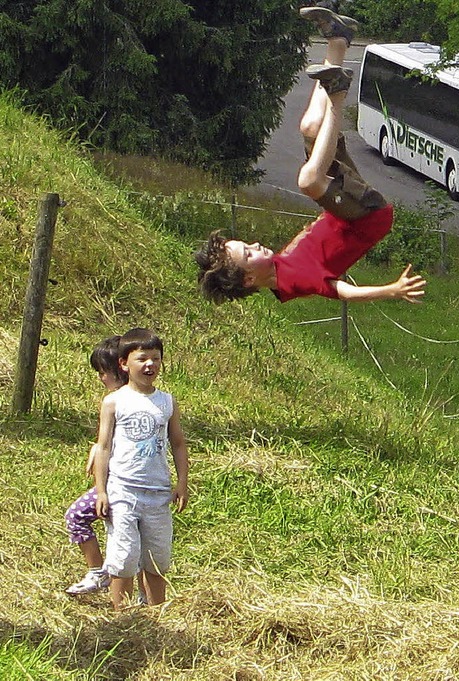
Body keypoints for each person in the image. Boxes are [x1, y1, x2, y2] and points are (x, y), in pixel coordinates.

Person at [194, 5, 426, 305]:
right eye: (249, 253)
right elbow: (341, 291)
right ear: (249, 278)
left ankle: (338, 40)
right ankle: (337, 92)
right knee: (309, 181)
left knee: (310, 126)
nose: (255, 245)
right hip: (367, 218)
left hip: (346, 210)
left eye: (247, 245)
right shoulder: (294, 283)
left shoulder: (278, 266)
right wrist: (389, 290)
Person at [93, 328, 189, 610]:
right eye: (142, 359)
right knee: (123, 557)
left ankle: (156, 613)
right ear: (124, 363)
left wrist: (182, 483)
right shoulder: (114, 401)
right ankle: (122, 615)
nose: (150, 365)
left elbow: (178, 443)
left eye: (155, 359)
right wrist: (101, 490)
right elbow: (104, 446)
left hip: (158, 493)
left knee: (157, 559)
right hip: (123, 490)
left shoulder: (167, 402)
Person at [64, 336, 125, 595]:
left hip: (120, 482)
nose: (101, 378)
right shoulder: (118, 399)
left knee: (77, 516)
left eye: (103, 372)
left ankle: (99, 573)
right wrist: (96, 447)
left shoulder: (120, 401)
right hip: (114, 480)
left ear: (120, 368)